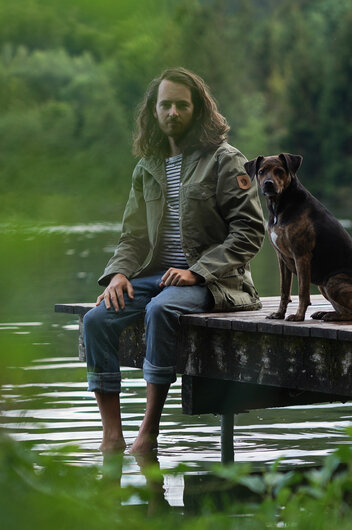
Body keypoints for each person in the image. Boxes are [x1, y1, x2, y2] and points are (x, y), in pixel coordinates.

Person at [83, 67, 265, 454]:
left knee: (161, 311)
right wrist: (117, 274)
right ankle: (111, 436)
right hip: (156, 277)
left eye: (182, 105)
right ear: (154, 111)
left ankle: (148, 432)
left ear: (197, 111)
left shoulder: (225, 160)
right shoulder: (146, 167)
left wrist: (197, 272)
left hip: (216, 283)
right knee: (95, 319)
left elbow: (250, 232)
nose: (173, 113)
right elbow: (132, 236)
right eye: (165, 105)